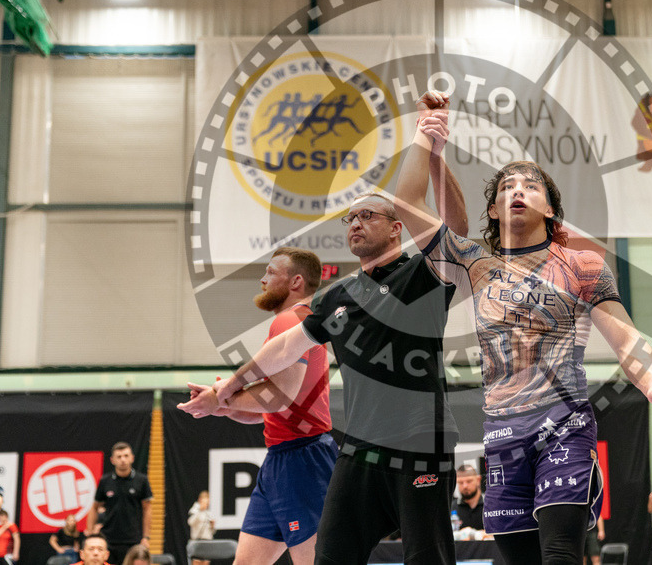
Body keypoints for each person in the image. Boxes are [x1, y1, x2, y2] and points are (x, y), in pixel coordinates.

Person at [394, 91, 652, 565]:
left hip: (563, 424)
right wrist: (427, 138)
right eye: (506, 187)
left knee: (561, 552)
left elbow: (626, 338)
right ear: (492, 212)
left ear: (550, 209)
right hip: (502, 432)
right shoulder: (474, 263)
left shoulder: (582, 265)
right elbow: (406, 201)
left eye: (530, 186)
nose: (517, 191)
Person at [181, 160, 470, 565]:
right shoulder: (338, 297)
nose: (355, 223)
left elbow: (456, 233)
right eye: (350, 218)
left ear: (395, 227)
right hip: (359, 451)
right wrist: (226, 390)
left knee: (427, 558)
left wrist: (436, 159)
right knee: (329, 557)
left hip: (420, 442)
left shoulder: (422, 276)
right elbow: (283, 349)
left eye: (367, 215)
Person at [183, 248, 334, 565]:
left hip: (302, 461)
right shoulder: (299, 322)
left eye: (270, 272)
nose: (262, 279)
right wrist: (221, 406)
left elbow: (280, 395)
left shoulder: (290, 320)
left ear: (294, 281)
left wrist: (222, 396)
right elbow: (272, 408)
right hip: (281, 458)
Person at [85, 443, 152, 565]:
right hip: (108, 539)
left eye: (126, 456)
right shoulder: (105, 481)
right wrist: (90, 534)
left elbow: (147, 509)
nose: (123, 460)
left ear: (132, 458)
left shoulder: (142, 480)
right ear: (112, 460)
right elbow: (94, 507)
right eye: (119, 456)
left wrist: (146, 537)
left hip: (133, 539)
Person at [453, 464, 485, 535]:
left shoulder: (490, 505)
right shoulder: (452, 508)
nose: (465, 486)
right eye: (460, 482)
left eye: (469, 481)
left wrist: (474, 534)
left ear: (478, 480)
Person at [186, 491, 214, 565]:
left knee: (206, 562)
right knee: (197, 561)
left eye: (207, 502)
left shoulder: (208, 512)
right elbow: (190, 522)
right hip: (197, 540)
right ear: (200, 500)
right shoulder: (194, 510)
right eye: (205, 501)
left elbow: (212, 532)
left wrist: (212, 526)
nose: (206, 504)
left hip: (207, 541)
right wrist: (200, 511)